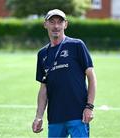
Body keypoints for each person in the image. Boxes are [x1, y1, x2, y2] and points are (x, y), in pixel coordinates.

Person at [32, 9, 97, 138]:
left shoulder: (77, 45)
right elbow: (43, 88)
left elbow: (91, 77)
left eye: (59, 22)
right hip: (55, 116)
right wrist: (38, 116)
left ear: (65, 24)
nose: (56, 26)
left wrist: (89, 107)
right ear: (45, 24)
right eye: (52, 22)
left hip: (78, 115)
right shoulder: (42, 54)